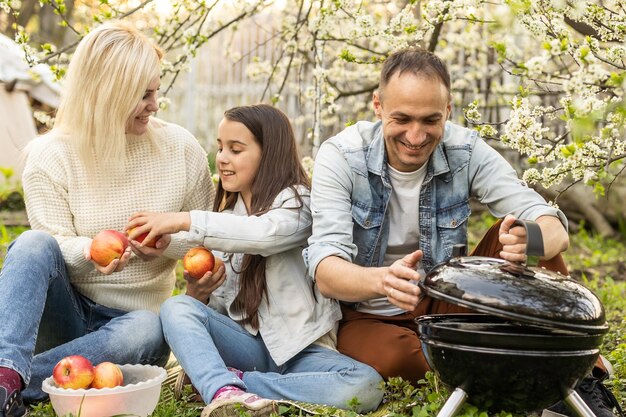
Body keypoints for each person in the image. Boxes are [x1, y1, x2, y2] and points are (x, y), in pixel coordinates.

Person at [304, 48, 620, 417]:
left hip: (450, 300)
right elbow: (326, 271)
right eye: (402, 119)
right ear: (377, 105)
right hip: (369, 313)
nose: (416, 136)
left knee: (526, 232)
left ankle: (573, 376)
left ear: (448, 111)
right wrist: (382, 281)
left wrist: (528, 238)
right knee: (396, 359)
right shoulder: (341, 156)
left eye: (430, 120)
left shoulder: (465, 149)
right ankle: (525, 375)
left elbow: (552, 227)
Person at [0, 21, 215, 416]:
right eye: (144, 95)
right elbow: (51, 244)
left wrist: (167, 244)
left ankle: (14, 384)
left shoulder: (181, 149)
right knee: (31, 243)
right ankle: (5, 379)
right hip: (66, 314)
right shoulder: (50, 156)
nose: (155, 104)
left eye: (156, 90)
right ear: (109, 94)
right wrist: (91, 250)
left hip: (133, 331)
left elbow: (208, 238)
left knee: (149, 327)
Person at [127, 104, 383, 417]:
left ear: (269, 153)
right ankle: (224, 390)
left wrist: (183, 220)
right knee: (176, 307)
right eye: (221, 148)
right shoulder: (224, 221)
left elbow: (263, 235)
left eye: (236, 149)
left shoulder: (298, 204)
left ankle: (235, 384)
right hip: (246, 347)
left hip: (301, 351)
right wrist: (199, 294)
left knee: (366, 384)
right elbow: (218, 311)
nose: (222, 158)